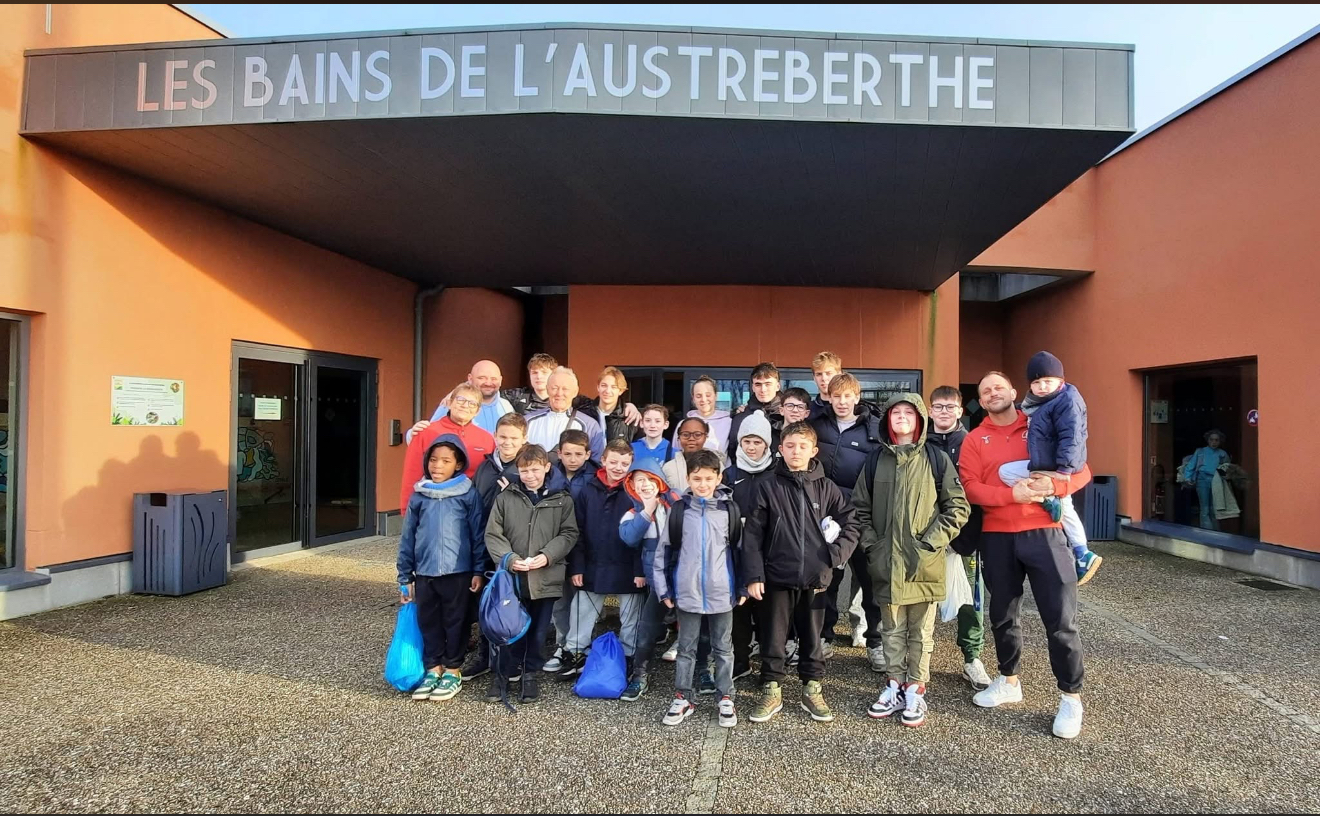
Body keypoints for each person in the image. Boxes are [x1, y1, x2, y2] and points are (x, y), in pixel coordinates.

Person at [959, 371, 1092, 740]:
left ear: (1014, 392)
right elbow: (970, 488)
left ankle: (1070, 697)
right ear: (980, 401)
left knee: (1060, 618)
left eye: (998, 387)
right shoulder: (974, 439)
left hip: (1046, 534)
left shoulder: (1040, 422)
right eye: (985, 391)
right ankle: (1008, 679)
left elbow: (1082, 470)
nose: (992, 393)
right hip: (997, 536)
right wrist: (1009, 497)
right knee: (1003, 613)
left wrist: (1057, 483)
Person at [855, 394, 969, 728]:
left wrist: (930, 543)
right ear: (887, 420)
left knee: (921, 632)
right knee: (891, 630)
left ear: (919, 419)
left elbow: (957, 507)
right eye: (896, 412)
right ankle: (893, 684)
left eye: (909, 412)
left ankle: (915, 688)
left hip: (924, 563)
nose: (902, 417)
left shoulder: (935, 459)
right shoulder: (875, 460)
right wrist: (872, 546)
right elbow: (859, 508)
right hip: (886, 562)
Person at [742, 421, 859, 724]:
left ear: (814, 450)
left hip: (816, 578)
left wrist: (833, 556)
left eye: (802, 446)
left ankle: (812, 686)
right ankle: (771, 686)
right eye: (790, 446)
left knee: (812, 635)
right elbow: (753, 535)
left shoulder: (827, 487)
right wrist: (754, 575)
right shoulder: (767, 486)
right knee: (774, 635)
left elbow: (852, 524)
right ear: (780, 449)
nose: (796, 451)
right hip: (775, 576)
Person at [655, 450, 745, 728]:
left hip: (722, 592)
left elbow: (740, 553)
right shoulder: (679, 511)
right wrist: (664, 591)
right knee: (686, 648)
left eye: (709, 478)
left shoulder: (729, 510)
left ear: (719, 477)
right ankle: (683, 696)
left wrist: (741, 586)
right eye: (697, 478)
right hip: (687, 592)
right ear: (688, 478)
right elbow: (663, 554)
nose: (703, 484)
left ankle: (725, 696)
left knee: (723, 648)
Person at [484, 444, 579, 704]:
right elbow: (494, 533)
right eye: (524, 470)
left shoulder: (562, 500)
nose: (530, 475)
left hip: (545, 576)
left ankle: (530, 674)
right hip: (513, 578)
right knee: (508, 628)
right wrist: (510, 559)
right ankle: (503, 673)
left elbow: (569, 533)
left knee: (537, 631)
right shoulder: (506, 497)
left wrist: (547, 555)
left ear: (547, 467)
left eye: (535, 470)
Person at [996, 351, 1102, 585]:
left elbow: (1071, 437)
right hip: (1045, 464)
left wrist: (1063, 472)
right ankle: (1051, 504)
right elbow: (1024, 410)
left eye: (1047, 381)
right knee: (1007, 472)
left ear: (1060, 381)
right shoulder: (1041, 403)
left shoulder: (1067, 401)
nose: (1042, 386)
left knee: (1064, 503)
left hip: (1059, 466)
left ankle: (1082, 553)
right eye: (1036, 382)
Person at [397, 435, 486, 701]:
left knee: (455, 622)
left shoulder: (468, 494)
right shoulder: (419, 496)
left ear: (458, 465)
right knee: (429, 622)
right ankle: (433, 667)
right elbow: (408, 537)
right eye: (433, 460)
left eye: (446, 461)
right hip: (424, 573)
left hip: (458, 573)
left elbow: (477, 534)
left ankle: (453, 669)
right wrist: (405, 575)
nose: (438, 465)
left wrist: (478, 570)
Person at [811, 373, 885, 667]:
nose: (841, 402)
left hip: (862, 517)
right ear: (828, 397)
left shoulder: (873, 429)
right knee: (827, 580)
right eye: (836, 396)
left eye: (847, 396)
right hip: (826, 517)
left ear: (857, 397)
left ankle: (875, 641)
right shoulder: (818, 425)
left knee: (870, 581)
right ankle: (824, 637)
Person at [557, 440, 647, 679]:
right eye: (614, 462)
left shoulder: (635, 492)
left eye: (625, 463)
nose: (618, 467)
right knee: (582, 610)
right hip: (593, 562)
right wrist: (577, 566)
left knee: (631, 616)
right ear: (603, 460)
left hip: (628, 565)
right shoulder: (587, 490)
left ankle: (629, 656)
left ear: (631, 464)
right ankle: (574, 652)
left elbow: (644, 534)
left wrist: (641, 570)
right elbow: (578, 530)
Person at [926, 385, 991, 691]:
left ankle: (972, 657)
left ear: (960, 411)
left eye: (950, 407)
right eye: (938, 407)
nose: (943, 412)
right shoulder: (919, 443)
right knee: (918, 598)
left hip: (962, 538)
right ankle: (915, 656)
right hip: (925, 537)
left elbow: (977, 496)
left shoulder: (973, 443)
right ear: (929, 410)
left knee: (969, 599)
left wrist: (963, 540)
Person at [617, 457, 681, 702]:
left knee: (694, 627)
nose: (645, 485)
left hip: (681, 578)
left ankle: (702, 671)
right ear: (631, 485)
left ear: (659, 481)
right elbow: (629, 538)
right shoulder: (633, 514)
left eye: (649, 479)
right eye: (638, 480)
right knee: (647, 628)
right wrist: (647, 511)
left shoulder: (676, 504)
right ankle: (640, 674)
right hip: (656, 583)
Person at [722, 410, 776, 680]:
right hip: (736, 552)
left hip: (769, 553)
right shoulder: (729, 474)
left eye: (758, 442)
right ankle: (740, 661)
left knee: (768, 612)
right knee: (739, 610)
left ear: (767, 444)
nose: (752, 447)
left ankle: (769, 667)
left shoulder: (776, 473)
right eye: (747, 442)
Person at [544, 428, 598, 673]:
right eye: (568, 454)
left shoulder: (595, 475)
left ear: (588, 454)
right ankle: (562, 643)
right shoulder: (549, 473)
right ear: (559, 453)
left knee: (583, 598)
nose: (573, 459)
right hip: (555, 543)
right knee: (560, 598)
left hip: (585, 542)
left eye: (578, 454)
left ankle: (579, 645)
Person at [399, 382, 495, 517]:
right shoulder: (427, 432)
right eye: (461, 400)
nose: (465, 405)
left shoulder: (486, 439)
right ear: (450, 403)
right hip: (434, 506)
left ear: (477, 411)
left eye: (472, 403)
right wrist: (407, 510)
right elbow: (412, 472)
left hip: (472, 508)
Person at [408, 359, 513, 442]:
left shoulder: (506, 406)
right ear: (470, 378)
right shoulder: (454, 404)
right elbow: (429, 437)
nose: (488, 383)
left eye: (493, 379)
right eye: (482, 378)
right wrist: (412, 435)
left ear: (500, 380)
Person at [525, 367, 607, 461]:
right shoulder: (528, 421)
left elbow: (595, 463)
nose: (559, 393)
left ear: (575, 392)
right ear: (547, 390)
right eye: (554, 388)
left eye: (565, 389)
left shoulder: (590, 425)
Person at [727, 363, 784, 462]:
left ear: (777, 386)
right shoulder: (741, 417)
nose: (763, 389)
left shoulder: (789, 414)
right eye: (758, 384)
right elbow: (733, 450)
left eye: (768, 384)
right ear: (753, 387)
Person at [573, 365, 643, 444]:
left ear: (621, 391)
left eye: (613, 387)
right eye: (604, 385)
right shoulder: (585, 411)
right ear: (598, 387)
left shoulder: (630, 418)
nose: (607, 391)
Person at [474, 412, 528, 513]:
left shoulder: (530, 470)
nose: (507, 443)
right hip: (482, 527)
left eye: (514, 438)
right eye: (503, 437)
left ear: (524, 439)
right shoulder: (484, 467)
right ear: (495, 435)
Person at [1184, 428, 1232, 531]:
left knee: (1214, 508)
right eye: (1211, 439)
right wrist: (1187, 477)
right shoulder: (1200, 451)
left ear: (1220, 441)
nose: (1214, 442)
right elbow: (1191, 465)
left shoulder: (1222, 454)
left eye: (1216, 440)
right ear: (1208, 440)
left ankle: (1215, 531)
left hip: (1217, 481)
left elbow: (1227, 468)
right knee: (1204, 507)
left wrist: (1227, 476)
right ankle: (1206, 532)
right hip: (1202, 479)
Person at [672, 375, 733, 454]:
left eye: (708, 395)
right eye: (698, 396)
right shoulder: (683, 424)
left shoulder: (729, 423)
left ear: (716, 396)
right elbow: (675, 453)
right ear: (693, 399)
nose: (703, 400)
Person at [664, 416, 723, 495]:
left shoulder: (717, 464)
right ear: (678, 437)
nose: (691, 438)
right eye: (685, 435)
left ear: (706, 437)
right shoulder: (669, 468)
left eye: (697, 435)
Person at [632, 404, 676, 469]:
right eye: (648, 420)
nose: (652, 425)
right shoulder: (631, 449)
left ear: (666, 425)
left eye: (657, 421)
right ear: (641, 423)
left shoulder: (674, 452)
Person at [808, 351, 842, 420]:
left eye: (828, 373)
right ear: (814, 378)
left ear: (839, 374)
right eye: (819, 374)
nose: (823, 378)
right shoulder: (808, 411)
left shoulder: (850, 408)